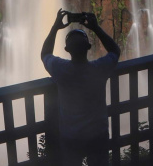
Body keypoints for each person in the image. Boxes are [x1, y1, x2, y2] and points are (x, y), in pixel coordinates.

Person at [41, 9, 121, 166]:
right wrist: (95, 28)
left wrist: (55, 27)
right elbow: (115, 51)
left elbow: (45, 54)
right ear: (89, 47)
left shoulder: (60, 69)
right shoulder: (99, 69)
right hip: (98, 133)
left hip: (71, 135)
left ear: (67, 50)